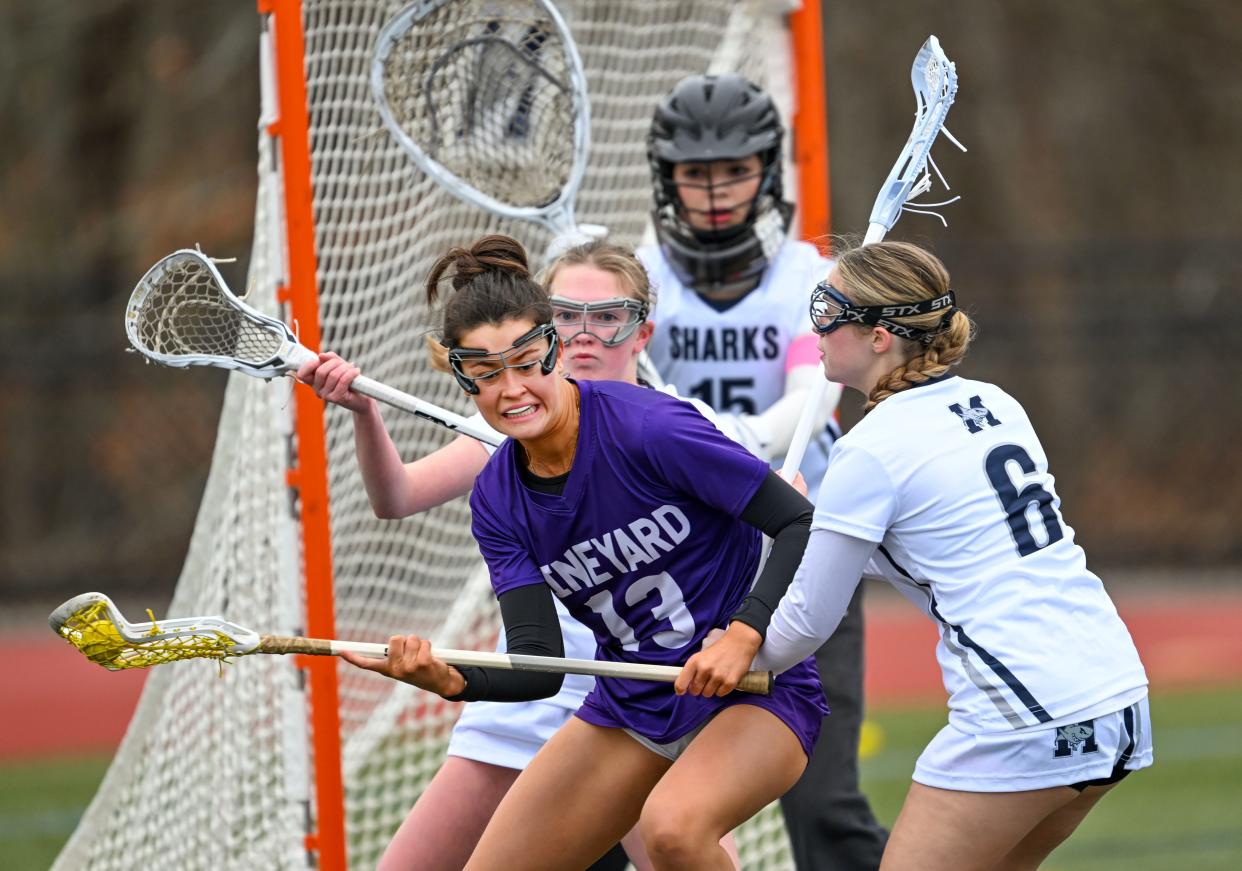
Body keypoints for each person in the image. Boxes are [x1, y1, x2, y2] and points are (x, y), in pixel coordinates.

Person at [333, 234, 827, 870]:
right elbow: (540, 666)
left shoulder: (651, 427)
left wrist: (742, 634)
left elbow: (798, 522)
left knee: (674, 832)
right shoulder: (498, 499)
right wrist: (447, 680)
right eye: (484, 372)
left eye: (524, 360)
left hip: (755, 687)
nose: (510, 389)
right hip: (634, 701)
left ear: (554, 350)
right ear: (461, 377)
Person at [738, 240, 1153, 870]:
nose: (813, 327)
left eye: (827, 309)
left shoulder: (871, 447)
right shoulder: (996, 403)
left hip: (1023, 716)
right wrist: (812, 528)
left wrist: (726, 654)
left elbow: (801, 629)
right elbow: (935, 544)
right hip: (1117, 694)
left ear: (880, 336)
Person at [640, 72, 888, 869]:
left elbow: (800, 400)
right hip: (677, 564)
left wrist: (721, 440)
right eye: (696, 173)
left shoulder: (807, 283)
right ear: (666, 177)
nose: (716, 191)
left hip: (799, 551)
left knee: (821, 803)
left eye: (735, 169)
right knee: (622, 796)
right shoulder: (637, 281)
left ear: (768, 170)